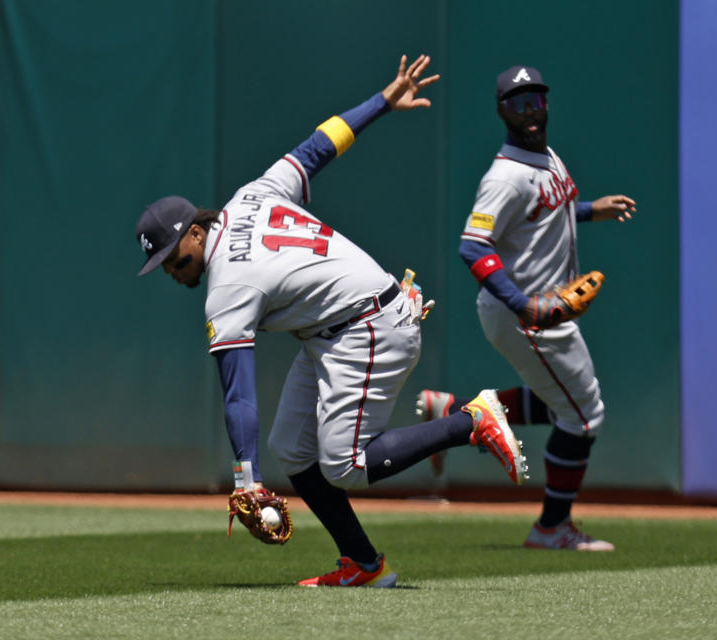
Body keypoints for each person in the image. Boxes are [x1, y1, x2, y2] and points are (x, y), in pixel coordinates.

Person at [134, 55, 527, 587]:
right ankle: (365, 564)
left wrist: (245, 478)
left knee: (346, 466)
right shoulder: (253, 193)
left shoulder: (227, 284)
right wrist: (383, 103)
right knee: (292, 449)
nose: (175, 273)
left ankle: (471, 421)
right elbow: (320, 145)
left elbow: (238, 393)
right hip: (345, 324)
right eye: (163, 268)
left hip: (367, 327)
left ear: (197, 233)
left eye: (175, 259)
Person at [417, 65, 636, 551]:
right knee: (583, 416)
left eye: (535, 101)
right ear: (501, 112)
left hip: (544, 309)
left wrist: (588, 209)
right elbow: (473, 247)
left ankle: (452, 412)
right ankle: (551, 527)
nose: (529, 112)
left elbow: (541, 216)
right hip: (525, 314)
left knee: (568, 402)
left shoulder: (546, 156)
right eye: (517, 104)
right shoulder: (505, 176)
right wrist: (523, 306)